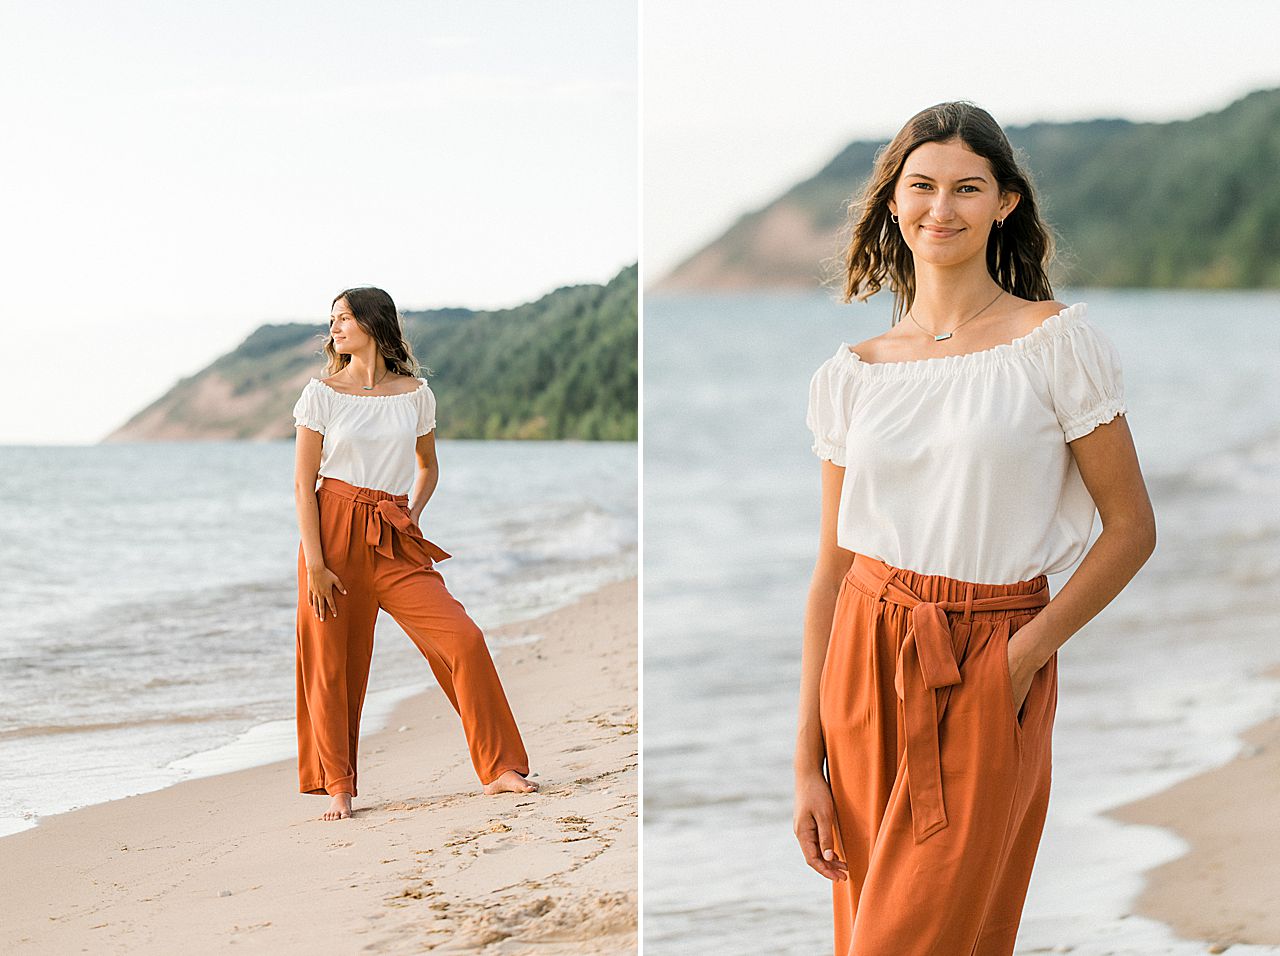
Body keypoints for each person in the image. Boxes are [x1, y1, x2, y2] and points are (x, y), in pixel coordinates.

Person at [793, 101, 1157, 955]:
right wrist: (803, 760)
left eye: (967, 188)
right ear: (892, 201)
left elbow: (1131, 527)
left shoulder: (1053, 342)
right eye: (921, 186)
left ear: (1007, 204)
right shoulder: (852, 375)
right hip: (863, 656)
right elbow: (830, 569)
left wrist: (1022, 656)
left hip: (992, 652)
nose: (940, 209)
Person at [292, 286, 537, 822]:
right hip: (332, 534)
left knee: (463, 639)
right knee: (333, 665)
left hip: (394, 533)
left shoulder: (416, 395)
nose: (333, 328)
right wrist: (316, 562)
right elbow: (303, 483)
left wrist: (414, 514)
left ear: (373, 324)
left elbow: (428, 466)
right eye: (332, 320)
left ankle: (499, 768)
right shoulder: (321, 394)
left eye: (343, 318)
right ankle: (338, 787)